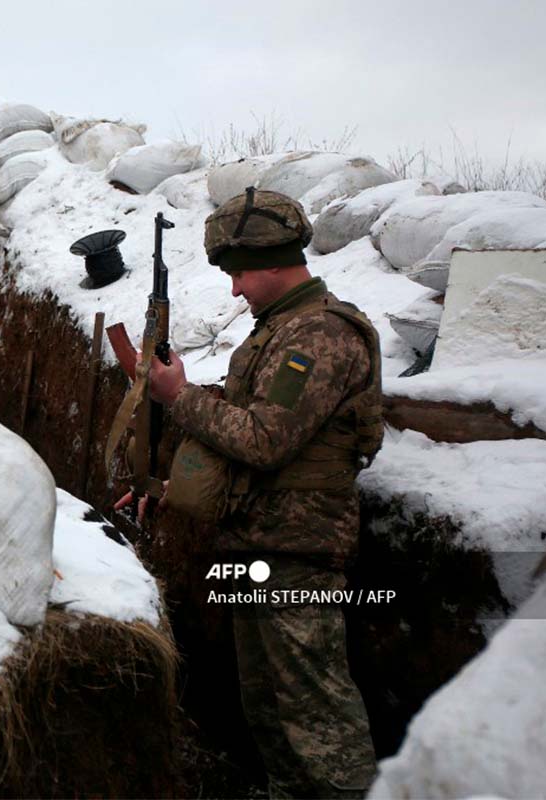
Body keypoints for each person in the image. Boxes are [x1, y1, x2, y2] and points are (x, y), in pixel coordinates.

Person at [141, 187, 383, 798]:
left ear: (275, 261)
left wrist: (179, 398)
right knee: (267, 706)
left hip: (297, 553)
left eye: (240, 274)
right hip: (257, 544)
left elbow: (265, 440)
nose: (234, 289)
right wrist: (177, 485)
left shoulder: (318, 336)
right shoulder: (278, 329)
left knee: (319, 719)